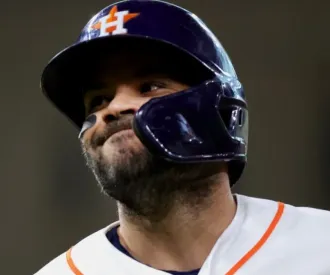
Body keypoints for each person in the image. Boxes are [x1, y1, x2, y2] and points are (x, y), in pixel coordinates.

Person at [36, 1, 330, 274]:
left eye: (149, 86)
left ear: (222, 111)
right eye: (98, 100)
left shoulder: (319, 245)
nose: (112, 108)